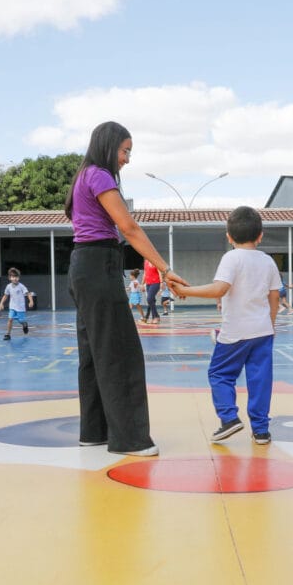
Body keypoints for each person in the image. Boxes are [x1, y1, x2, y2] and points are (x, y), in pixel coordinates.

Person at [65, 121, 187, 457]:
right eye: (125, 150)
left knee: (93, 353)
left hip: (84, 267)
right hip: (98, 266)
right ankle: (129, 439)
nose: (127, 159)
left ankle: (95, 432)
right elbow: (129, 228)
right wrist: (165, 268)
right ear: (108, 146)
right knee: (121, 352)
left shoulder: (82, 177)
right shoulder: (99, 175)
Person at [171, 207, 279, 445]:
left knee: (219, 374)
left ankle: (229, 418)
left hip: (236, 332)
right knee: (260, 380)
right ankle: (261, 431)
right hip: (263, 331)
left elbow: (219, 289)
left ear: (228, 236)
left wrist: (184, 290)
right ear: (260, 235)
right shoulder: (268, 261)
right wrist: (270, 325)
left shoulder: (231, 258)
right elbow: (274, 297)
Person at [0, 267, 35, 339]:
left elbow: (28, 294)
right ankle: (8, 334)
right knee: (10, 319)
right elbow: (6, 295)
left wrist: (31, 301)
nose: (15, 278)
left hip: (20, 308)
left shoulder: (21, 286)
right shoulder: (8, 286)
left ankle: (24, 324)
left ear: (19, 278)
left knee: (21, 320)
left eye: (16, 277)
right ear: (10, 278)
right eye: (13, 277)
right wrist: (1, 303)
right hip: (12, 307)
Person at [142, 259, 162, 324]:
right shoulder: (146, 262)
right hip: (148, 283)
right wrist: (142, 284)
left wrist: (161, 283)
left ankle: (155, 317)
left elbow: (160, 272)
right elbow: (145, 273)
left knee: (149, 299)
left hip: (156, 282)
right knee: (151, 300)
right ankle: (154, 316)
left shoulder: (155, 261)